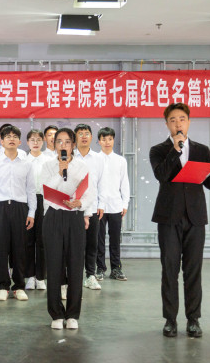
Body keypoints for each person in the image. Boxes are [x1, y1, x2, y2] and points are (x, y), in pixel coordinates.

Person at [149, 103, 210, 338]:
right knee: (170, 270)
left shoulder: (202, 150)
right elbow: (162, 175)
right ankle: (170, 320)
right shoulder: (158, 150)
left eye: (182, 119)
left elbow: (209, 184)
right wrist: (175, 150)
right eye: (173, 120)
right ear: (167, 124)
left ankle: (193, 320)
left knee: (193, 270)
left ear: (189, 122)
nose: (178, 124)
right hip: (168, 218)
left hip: (195, 218)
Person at [41, 128, 95, 330]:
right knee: (54, 266)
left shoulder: (82, 166)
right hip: (54, 216)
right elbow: (46, 191)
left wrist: (81, 203)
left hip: (74, 217)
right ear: (54, 144)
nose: (63, 145)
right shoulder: (48, 166)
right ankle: (56, 314)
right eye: (59, 141)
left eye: (67, 142)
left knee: (75, 265)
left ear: (73, 145)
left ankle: (72, 314)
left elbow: (90, 193)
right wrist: (60, 172)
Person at [0, 125, 36, 301]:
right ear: (1, 141)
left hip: (20, 208)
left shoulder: (26, 164)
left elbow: (31, 190)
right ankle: (3, 286)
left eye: (15, 136)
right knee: (1, 248)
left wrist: (32, 212)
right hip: (0, 207)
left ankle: (19, 286)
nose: (11, 139)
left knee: (19, 248)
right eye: (8, 136)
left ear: (20, 141)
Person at [73, 124, 105, 290]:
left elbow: (102, 183)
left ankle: (90, 275)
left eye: (87, 133)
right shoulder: (71, 157)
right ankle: (75, 276)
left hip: (92, 207)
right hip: (74, 208)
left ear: (91, 137)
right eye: (80, 134)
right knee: (75, 244)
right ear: (75, 137)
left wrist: (102, 204)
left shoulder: (98, 159)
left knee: (92, 243)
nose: (84, 136)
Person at [97, 127, 130, 281]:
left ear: (113, 140)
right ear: (99, 141)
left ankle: (116, 268)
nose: (107, 142)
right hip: (99, 206)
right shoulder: (95, 159)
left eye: (110, 139)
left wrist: (125, 203)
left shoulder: (120, 160)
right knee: (99, 239)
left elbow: (125, 183)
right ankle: (100, 268)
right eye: (104, 139)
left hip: (116, 205)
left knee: (115, 239)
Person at [24, 129, 49, 291]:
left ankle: (40, 277)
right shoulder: (23, 160)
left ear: (43, 142)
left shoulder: (48, 161)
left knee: (42, 240)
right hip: (26, 202)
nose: (35, 142)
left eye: (38, 139)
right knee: (27, 241)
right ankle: (30, 276)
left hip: (43, 201)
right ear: (27, 142)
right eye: (32, 140)